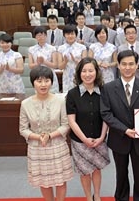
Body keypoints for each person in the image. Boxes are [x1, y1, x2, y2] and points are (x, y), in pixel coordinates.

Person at [100, 50, 139, 201]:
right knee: (121, 173)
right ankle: (121, 197)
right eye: (123, 64)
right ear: (118, 65)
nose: (127, 67)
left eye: (131, 64)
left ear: (137, 65)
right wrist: (125, 130)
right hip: (119, 138)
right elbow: (106, 114)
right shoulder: (109, 88)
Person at [19, 66, 73, 201]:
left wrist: (50, 135)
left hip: (57, 146)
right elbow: (23, 129)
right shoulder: (25, 104)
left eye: (46, 80)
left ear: (51, 82)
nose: (43, 84)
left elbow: (66, 125)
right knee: (44, 181)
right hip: (37, 148)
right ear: (33, 83)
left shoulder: (60, 100)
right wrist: (38, 137)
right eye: (39, 81)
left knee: (60, 180)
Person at [66, 57, 110, 201]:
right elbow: (71, 121)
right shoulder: (72, 94)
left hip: (99, 138)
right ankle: (88, 197)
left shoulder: (105, 91)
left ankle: (97, 196)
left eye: (91, 70)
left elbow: (106, 117)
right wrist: (84, 139)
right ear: (79, 73)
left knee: (96, 169)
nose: (87, 74)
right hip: (79, 141)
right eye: (84, 71)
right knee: (84, 171)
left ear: (97, 72)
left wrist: (102, 137)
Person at [29, 26, 59, 93]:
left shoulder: (52, 48)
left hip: (50, 75)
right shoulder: (31, 49)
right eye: (38, 35)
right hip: (37, 76)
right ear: (35, 37)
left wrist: (44, 62)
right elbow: (30, 66)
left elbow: (55, 65)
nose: (41, 37)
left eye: (43, 35)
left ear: (46, 36)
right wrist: (38, 63)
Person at [57, 25, 87, 93]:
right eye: (68, 34)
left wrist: (76, 61)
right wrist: (65, 62)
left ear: (76, 35)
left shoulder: (82, 47)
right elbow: (60, 67)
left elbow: (85, 65)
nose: (70, 36)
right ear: (64, 35)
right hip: (66, 77)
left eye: (72, 34)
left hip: (79, 75)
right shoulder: (60, 48)